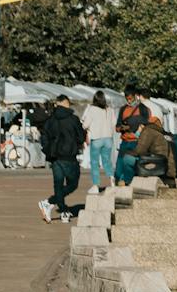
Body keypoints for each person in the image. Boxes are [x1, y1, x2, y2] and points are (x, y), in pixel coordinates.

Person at [38, 94, 84, 223]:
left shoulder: (50, 120)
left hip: (55, 156)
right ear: (65, 103)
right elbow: (80, 137)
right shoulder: (73, 119)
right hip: (69, 155)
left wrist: (48, 150)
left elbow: (44, 137)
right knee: (72, 184)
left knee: (58, 185)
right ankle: (50, 203)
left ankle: (63, 210)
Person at [81, 91, 118, 193]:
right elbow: (114, 123)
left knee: (94, 163)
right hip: (108, 138)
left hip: (97, 138)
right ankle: (111, 178)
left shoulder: (92, 109)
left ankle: (96, 185)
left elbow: (85, 125)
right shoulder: (110, 109)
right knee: (107, 161)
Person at [114, 87, 152, 184]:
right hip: (125, 142)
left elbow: (148, 125)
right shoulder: (123, 109)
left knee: (130, 165)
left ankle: (128, 183)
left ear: (136, 96)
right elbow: (117, 127)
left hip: (136, 142)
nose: (129, 100)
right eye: (127, 98)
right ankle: (125, 181)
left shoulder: (143, 109)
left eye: (130, 98)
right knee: (118, 171)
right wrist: (122, 128)